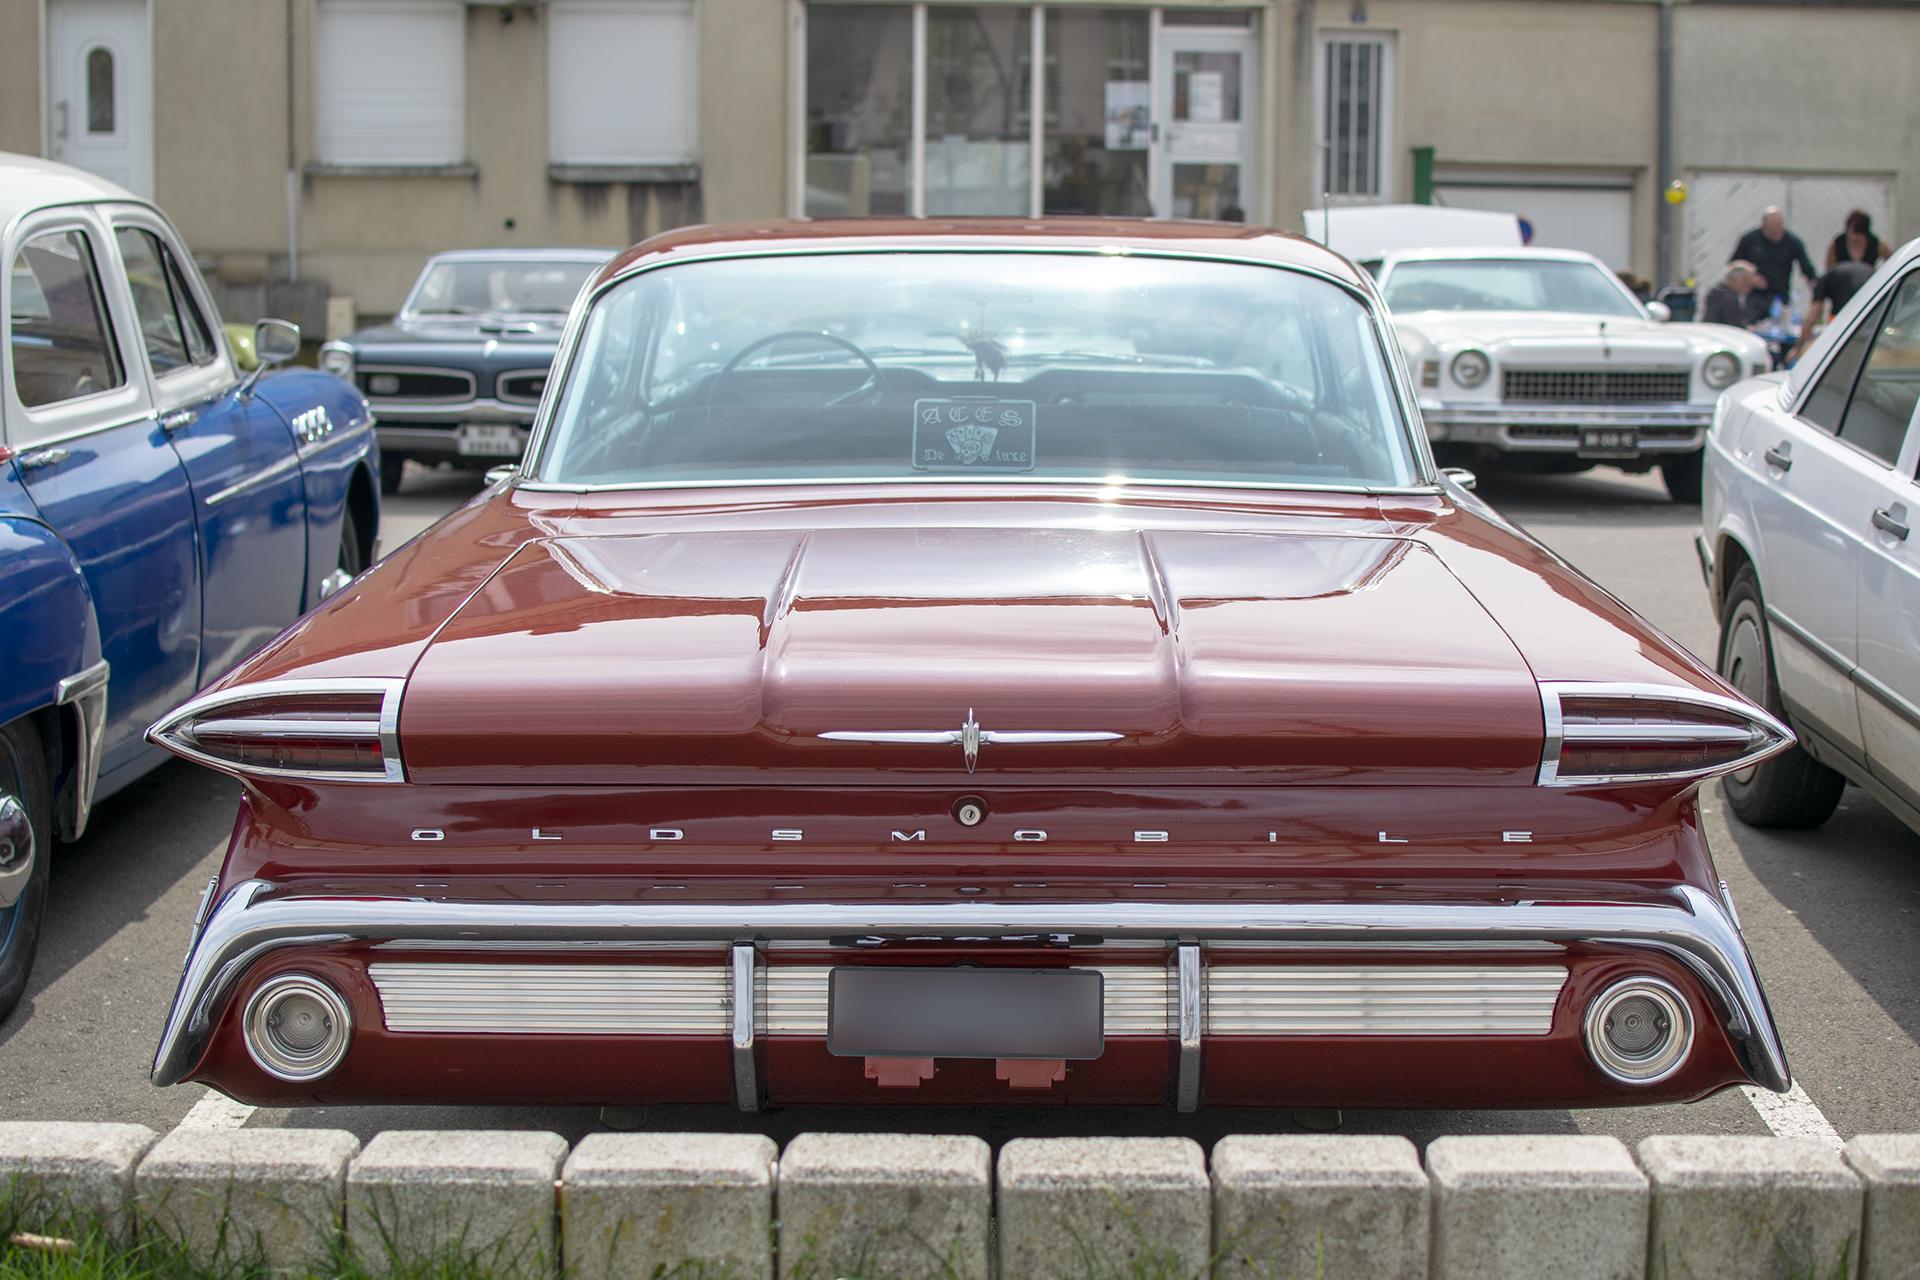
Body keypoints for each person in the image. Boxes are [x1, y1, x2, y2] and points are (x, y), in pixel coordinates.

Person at [1788, 257, 1879, 363]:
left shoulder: (1823, 282)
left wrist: (1797, 349)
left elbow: (1812, 319)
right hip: (1875, 280)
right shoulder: (1837, 276)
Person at [1732, 207, 1818, 314]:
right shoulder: (1750, 240)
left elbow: (1806, 267)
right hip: (1754, 296)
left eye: (1779, 230)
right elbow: (1733, 266)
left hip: (1780, 296)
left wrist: (1816, 287)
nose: (1777, 236)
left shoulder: (1792, 242)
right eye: (1772, 232)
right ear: (1763, 227)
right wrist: (1750, 278)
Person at [1701, 261, 1765, 329]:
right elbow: (1736, 328)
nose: (1749, 289)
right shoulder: (1729, 299)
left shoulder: (1717, 291)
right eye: (1746, 283)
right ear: (1733, 280)